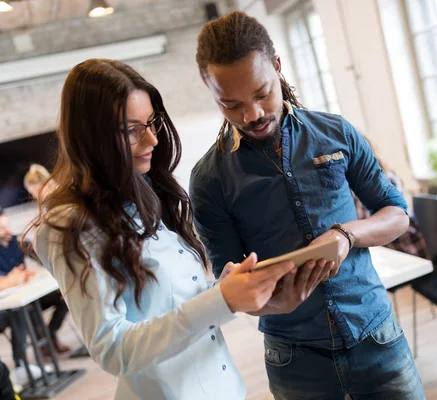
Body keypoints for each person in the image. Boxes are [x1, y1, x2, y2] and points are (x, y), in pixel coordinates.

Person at [28, 59, 305, 400]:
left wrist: (228, 290)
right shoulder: (69, 227)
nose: (153, 139)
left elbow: (169, 303)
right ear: (93, 139)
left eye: (151, 123)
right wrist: (220, 300)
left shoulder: (142, 197)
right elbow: (113, 349)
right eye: (132, 130)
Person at [191, 11, 426, 399]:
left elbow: (397, 214)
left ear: (278, 67)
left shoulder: (337, 133)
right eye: (231, 105)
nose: (252, 115)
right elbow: (227, 279)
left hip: (377, 336)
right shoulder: (209, 180)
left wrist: (347, 235)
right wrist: (268, 303)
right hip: (294, 359)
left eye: (262, 93)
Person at [0, 206, 70, 357]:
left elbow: (43, 259)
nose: (6, 231)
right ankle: (45, 345)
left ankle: (50, 334)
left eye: (6, 225)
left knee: (65, 294)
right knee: (28, 309)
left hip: (29, 293)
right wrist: (11, 279)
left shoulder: (17, 241)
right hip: (12, 302)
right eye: (1, 228)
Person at [352, 139, 428, 259]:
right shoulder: (382, 175)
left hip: (403, 248)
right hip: (391, 246)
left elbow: (364, 221)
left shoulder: (383, 179)